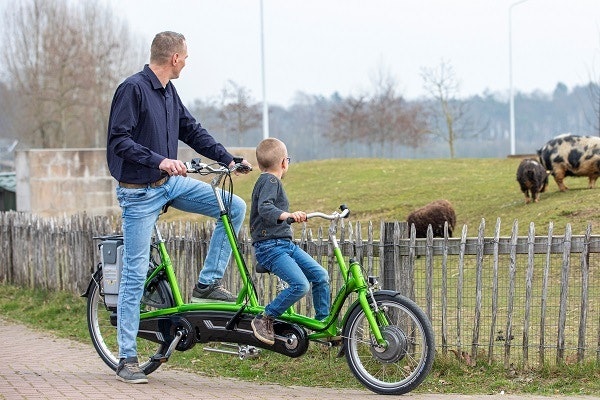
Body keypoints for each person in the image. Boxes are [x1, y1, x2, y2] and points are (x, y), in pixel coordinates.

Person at [106, 31, 251, 384]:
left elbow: (191, 129)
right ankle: (126, 357)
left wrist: (227, 159)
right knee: (135, 274)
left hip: (169, 184)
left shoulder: (169, 92)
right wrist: (160, 161)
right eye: (185, 57)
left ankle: (207, 283)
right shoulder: (133, 89)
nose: (186, 62)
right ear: (173, 58)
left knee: (233, 207)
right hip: (139, 193)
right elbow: (119, 140)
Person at [249, 138, 330, 345]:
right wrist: (288, 215)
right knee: (300, 285)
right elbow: (265, 209)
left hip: (284, 245)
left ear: (260, 163)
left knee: (320, 275)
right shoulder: (270, 181)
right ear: (285, 162)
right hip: (270, 247)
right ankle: (265, 318)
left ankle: (323, 324)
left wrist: (289, 216)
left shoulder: (268, 181)